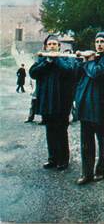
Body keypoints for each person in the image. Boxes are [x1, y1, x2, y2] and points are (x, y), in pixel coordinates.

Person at [74, 32, 104, 185]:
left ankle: (102, 169)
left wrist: (88, 60)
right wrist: (80, 60)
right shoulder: (92, 59)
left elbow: (96, 73)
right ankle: (86, 173)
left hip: (101, 108)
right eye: (97, 41)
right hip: (86, 107)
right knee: (86, 142)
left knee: (102, 140)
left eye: (102, 41)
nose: (99, 44)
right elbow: (78, 76)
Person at [29, 35, 74, 170]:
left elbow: (69, 70)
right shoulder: (42, 59)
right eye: (50, 44)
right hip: (47, 103)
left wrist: (56, 60)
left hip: (62, 103)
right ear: (46, 46)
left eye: (55, 44)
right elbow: (32, 73)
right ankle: (52, 159)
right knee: (50, 131)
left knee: (61, 131)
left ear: (59, 46)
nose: (52, 46)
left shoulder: (65, 59)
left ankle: (63, 160)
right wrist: (47, 62)